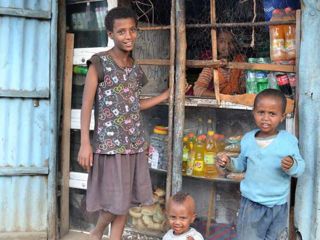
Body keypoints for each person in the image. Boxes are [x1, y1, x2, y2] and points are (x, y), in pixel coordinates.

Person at [77, 7, 170, 240]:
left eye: (132, 30)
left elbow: (133, 104)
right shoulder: (99, 63)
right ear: (110, 34)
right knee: (115, 202)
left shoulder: (135, 69)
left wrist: (164, 96)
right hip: (110, 145)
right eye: (121, 32)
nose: (128, 36)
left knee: (125, 203)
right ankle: (96, 233)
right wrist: (85, 144)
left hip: (134, 143)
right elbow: (86, 106)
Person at [216, 89, 305, 240]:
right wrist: (229, 163)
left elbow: (300, 169)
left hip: (278, 206)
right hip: (251, 205)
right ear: (253, 112)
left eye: (272, 114)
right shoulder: (248, 139)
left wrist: (292, 165)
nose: (266, 118)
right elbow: (241, 165)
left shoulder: (288, 141)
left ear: (282, 117)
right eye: (261, 112)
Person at [193, 30, 246, 97]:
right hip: (220, 102)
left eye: (231, 42)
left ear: (235, 44)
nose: (226, 46)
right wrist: (222, 97)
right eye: (222, 41)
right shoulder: (212, 64)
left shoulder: (240, 60)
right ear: (216, 44)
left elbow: (244, 85)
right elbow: (198, 90)